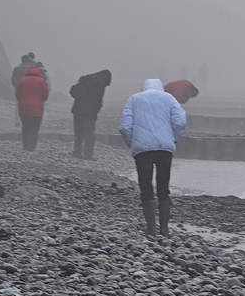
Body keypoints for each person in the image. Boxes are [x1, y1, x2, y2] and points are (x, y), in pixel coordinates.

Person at [120, 79, 187, 237]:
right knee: (163, 190)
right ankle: (164, 229)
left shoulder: (134, 99)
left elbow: (124, 127)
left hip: (142, 151)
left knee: (146, 189)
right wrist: (173, 138)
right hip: (165, 149)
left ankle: (151, 228)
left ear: (143, 88)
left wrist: (133, 143)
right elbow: (180, 121)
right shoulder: (169, 98)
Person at [69, 69, 112, 159]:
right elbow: (98, 99)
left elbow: (76, 92)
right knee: (89, 134)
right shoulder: (100, 83)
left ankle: (77, 152)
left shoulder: (86, 79)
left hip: (77, 110)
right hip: (89, 112)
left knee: (78, 133)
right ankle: (88, 154)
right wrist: (96, 111)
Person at [15, 65, 48, 151]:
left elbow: (17, 94)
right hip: (37, 109)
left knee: (25, 127)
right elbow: (45, 95)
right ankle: (32, 146)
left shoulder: (22, 80)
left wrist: (22, 99)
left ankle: (25, 146)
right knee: (34, 128)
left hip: (24, 108)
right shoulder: (42, 81)